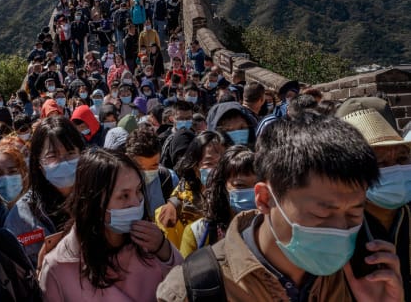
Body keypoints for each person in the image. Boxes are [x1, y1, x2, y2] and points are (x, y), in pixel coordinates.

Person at [158, 112, 404, 302]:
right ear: (265, 199)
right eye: (323, 213)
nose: (341, 230)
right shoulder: (194, 289)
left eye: (354, 213)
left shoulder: (362, 278)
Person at [38, 149, 183, 301]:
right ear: (93, 202)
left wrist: (164, 250)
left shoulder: (152, 245)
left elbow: (183, 288)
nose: (136, 202)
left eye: (139, 190)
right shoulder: (58, 266)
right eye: (124, 196)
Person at [341, 108, 411, 300]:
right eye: (381, 163)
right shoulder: (342, 229)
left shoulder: (407, 213)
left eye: (402, 159)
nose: (395, 168)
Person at [4, 116, 85, 269]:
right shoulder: (22, 217)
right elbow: (16, 272)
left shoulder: (101, 197)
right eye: (52, 156)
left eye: (70, 153)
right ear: (39, 163)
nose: (63, 162)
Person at [179, 145, 256, 257]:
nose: (251, 191)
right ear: (223, 187)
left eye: (256, 185)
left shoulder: (274, 230)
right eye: (240, 185)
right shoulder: (198, 233)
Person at [156, 131, 229, 248]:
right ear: (195, 168)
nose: (218, 170)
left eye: (223, 163)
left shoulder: (236, 201)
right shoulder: (173, 214)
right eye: (209, 163)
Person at [125, 127, 179, 217]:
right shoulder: (118, 183)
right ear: (128, 159)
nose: (147, 172)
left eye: (153, 166)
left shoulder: (168, 179)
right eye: (140, 167)